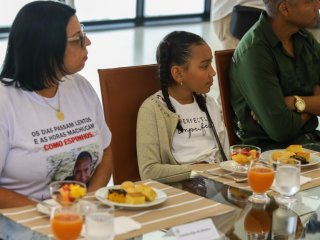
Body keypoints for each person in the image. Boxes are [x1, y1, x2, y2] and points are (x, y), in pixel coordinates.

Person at [0, 1, 112, 208]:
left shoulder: (80, 86)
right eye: (77, 38)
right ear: (47, 47)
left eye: (83, 33)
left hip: (76, 217)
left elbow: (106, 151)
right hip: (21, 224)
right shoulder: (5, 102)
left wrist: (87, 203)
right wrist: (49, 212)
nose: (87, 41)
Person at [136, 31, 229, 182]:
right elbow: (149, 171)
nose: (212, 72)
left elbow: (226, 157)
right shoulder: (153, 109)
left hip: (217, 183)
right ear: (178, 73)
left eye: (210, 63)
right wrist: (199, 170)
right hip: (182, 188)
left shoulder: (209, 104)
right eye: (204, 66)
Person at [230, 0, 320, 151]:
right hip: (271, 153)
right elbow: (281, 129)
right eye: (309, 1)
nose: (317, 5)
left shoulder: (303, 37)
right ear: (284, 9)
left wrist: (294, 102)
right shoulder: (255, 52)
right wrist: (313, 106)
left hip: (310, 141)